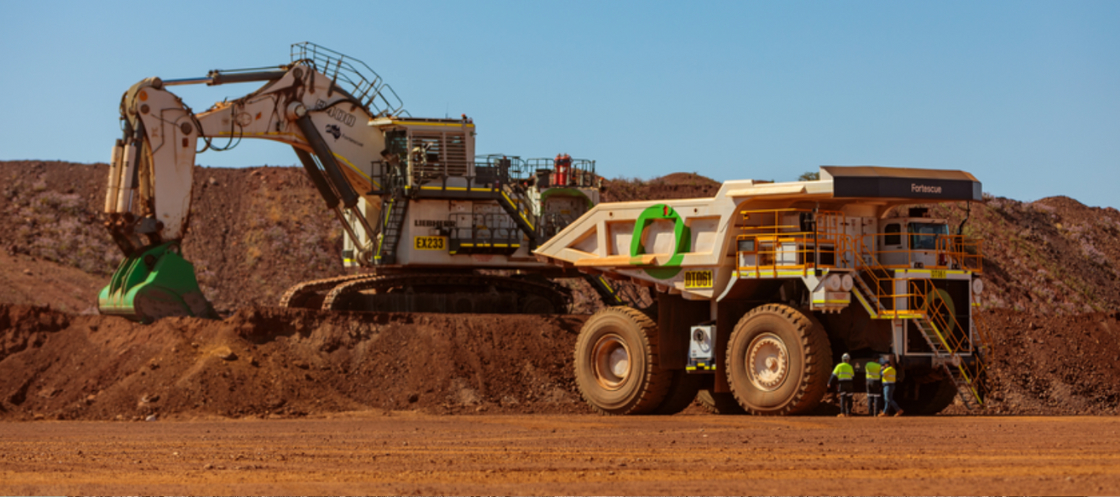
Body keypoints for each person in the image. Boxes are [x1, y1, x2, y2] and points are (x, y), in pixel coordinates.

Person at [827, 353, 855, 417]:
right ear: (848, 360)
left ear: (842, 359)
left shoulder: (839, 366)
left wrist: (829, 382)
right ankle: (849, 413)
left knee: (842, 397)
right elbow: (853, 376)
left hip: (842, 383)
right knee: (849, 398)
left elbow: (833, 375)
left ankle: (842, 413)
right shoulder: (850, 366)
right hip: (849, 383)